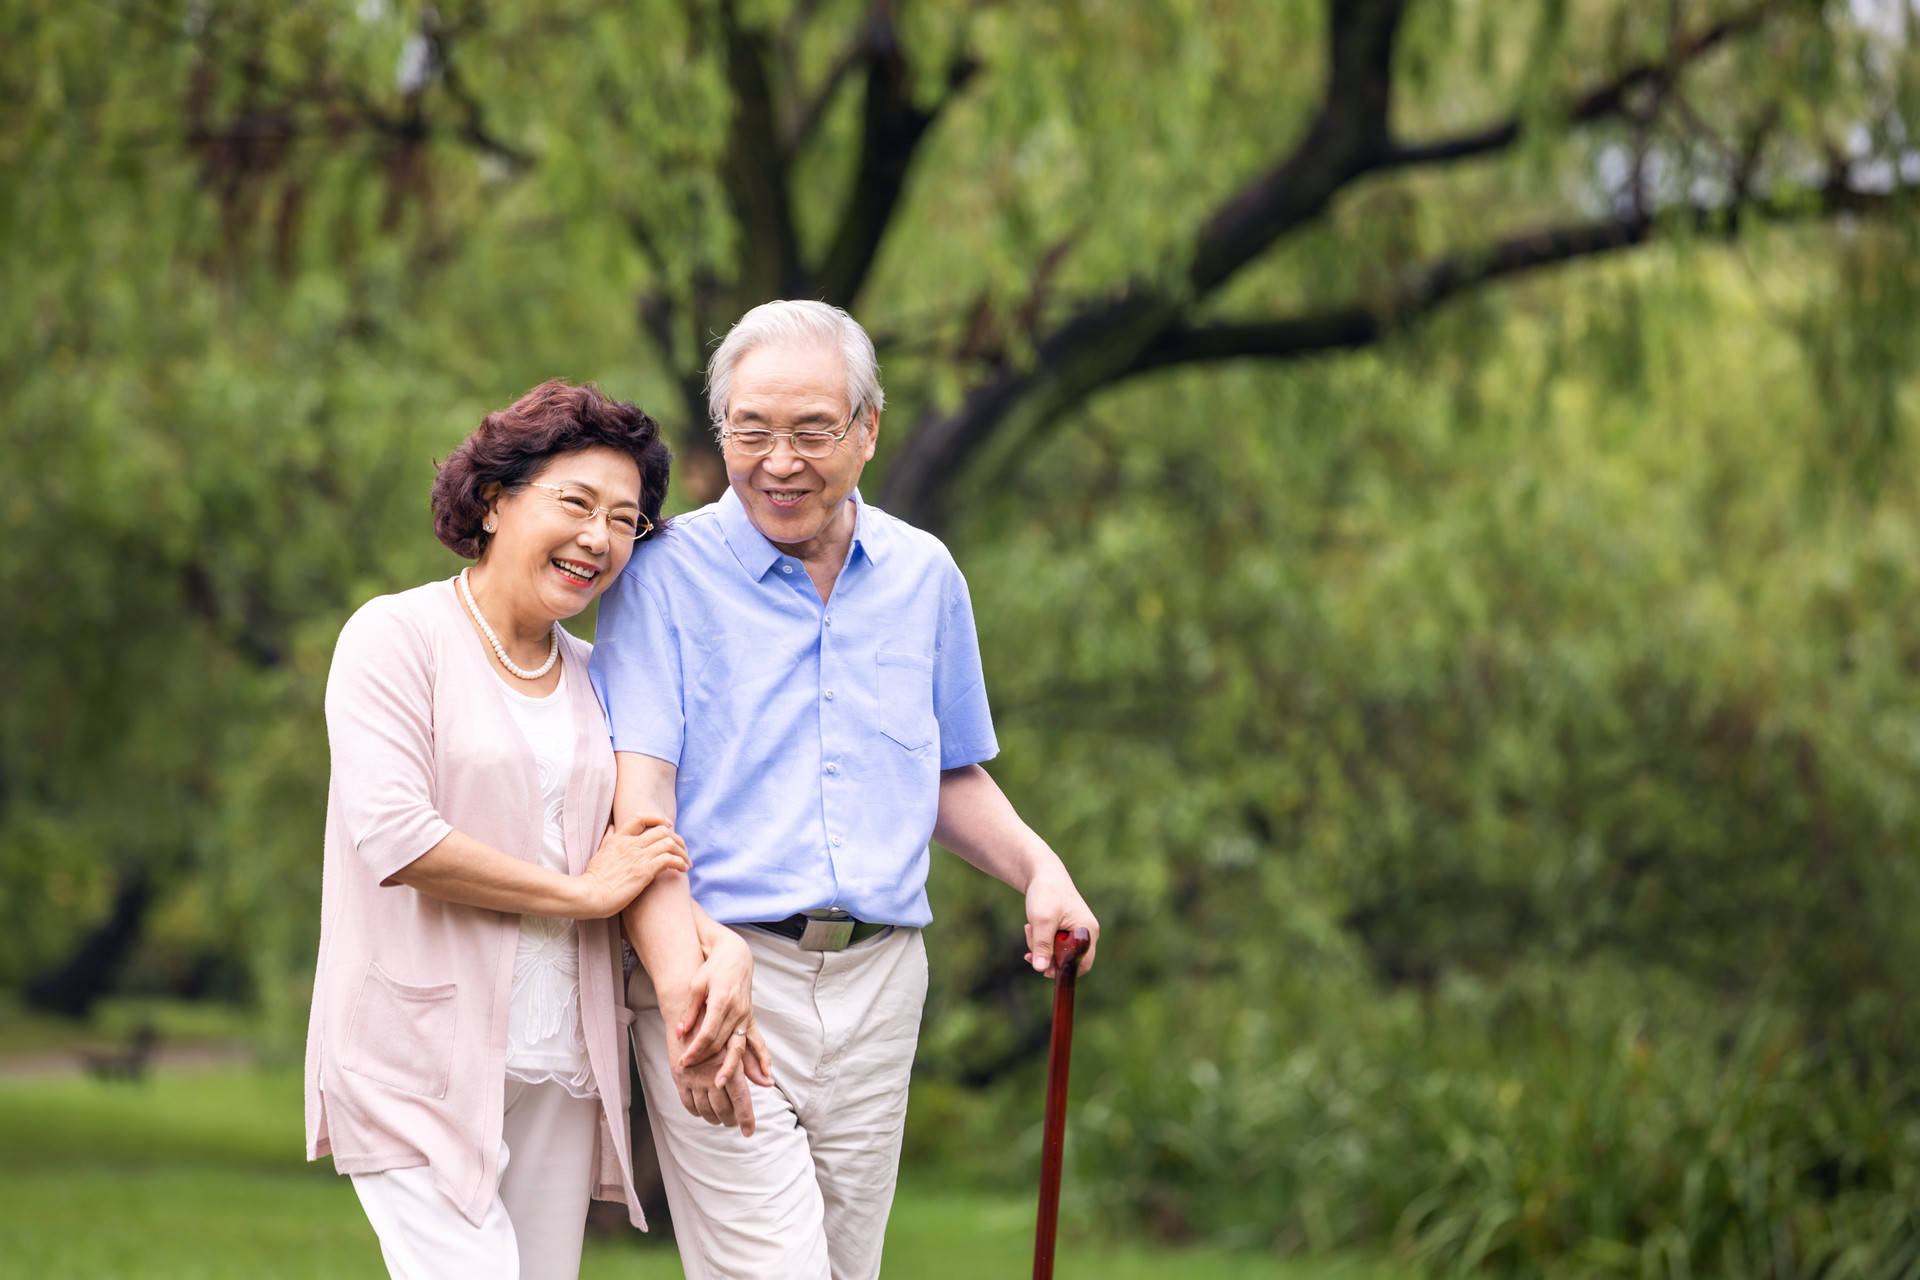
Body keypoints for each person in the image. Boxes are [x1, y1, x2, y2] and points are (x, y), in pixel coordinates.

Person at [589, 301, 1102, 1280]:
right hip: (728, 970)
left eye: (812, 431)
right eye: (750, 429)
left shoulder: (925, 576)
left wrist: (1040, 868)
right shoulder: (662, 578)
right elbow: (639, 807)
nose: (778, 460)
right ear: (721, 429)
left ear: (868, 429)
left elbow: (942, 771)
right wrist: (680, 977)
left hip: (881, 981)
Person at [304, 380, 768, 1280]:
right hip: (415, 1052)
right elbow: (399, 838)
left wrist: (722, 948)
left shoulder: (603, 677)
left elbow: (634, 857)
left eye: (626, 521)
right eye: (577, 503)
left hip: (563, 1053)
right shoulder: (396, 638)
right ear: (494, 499)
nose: (599, 538)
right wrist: (577, 894)